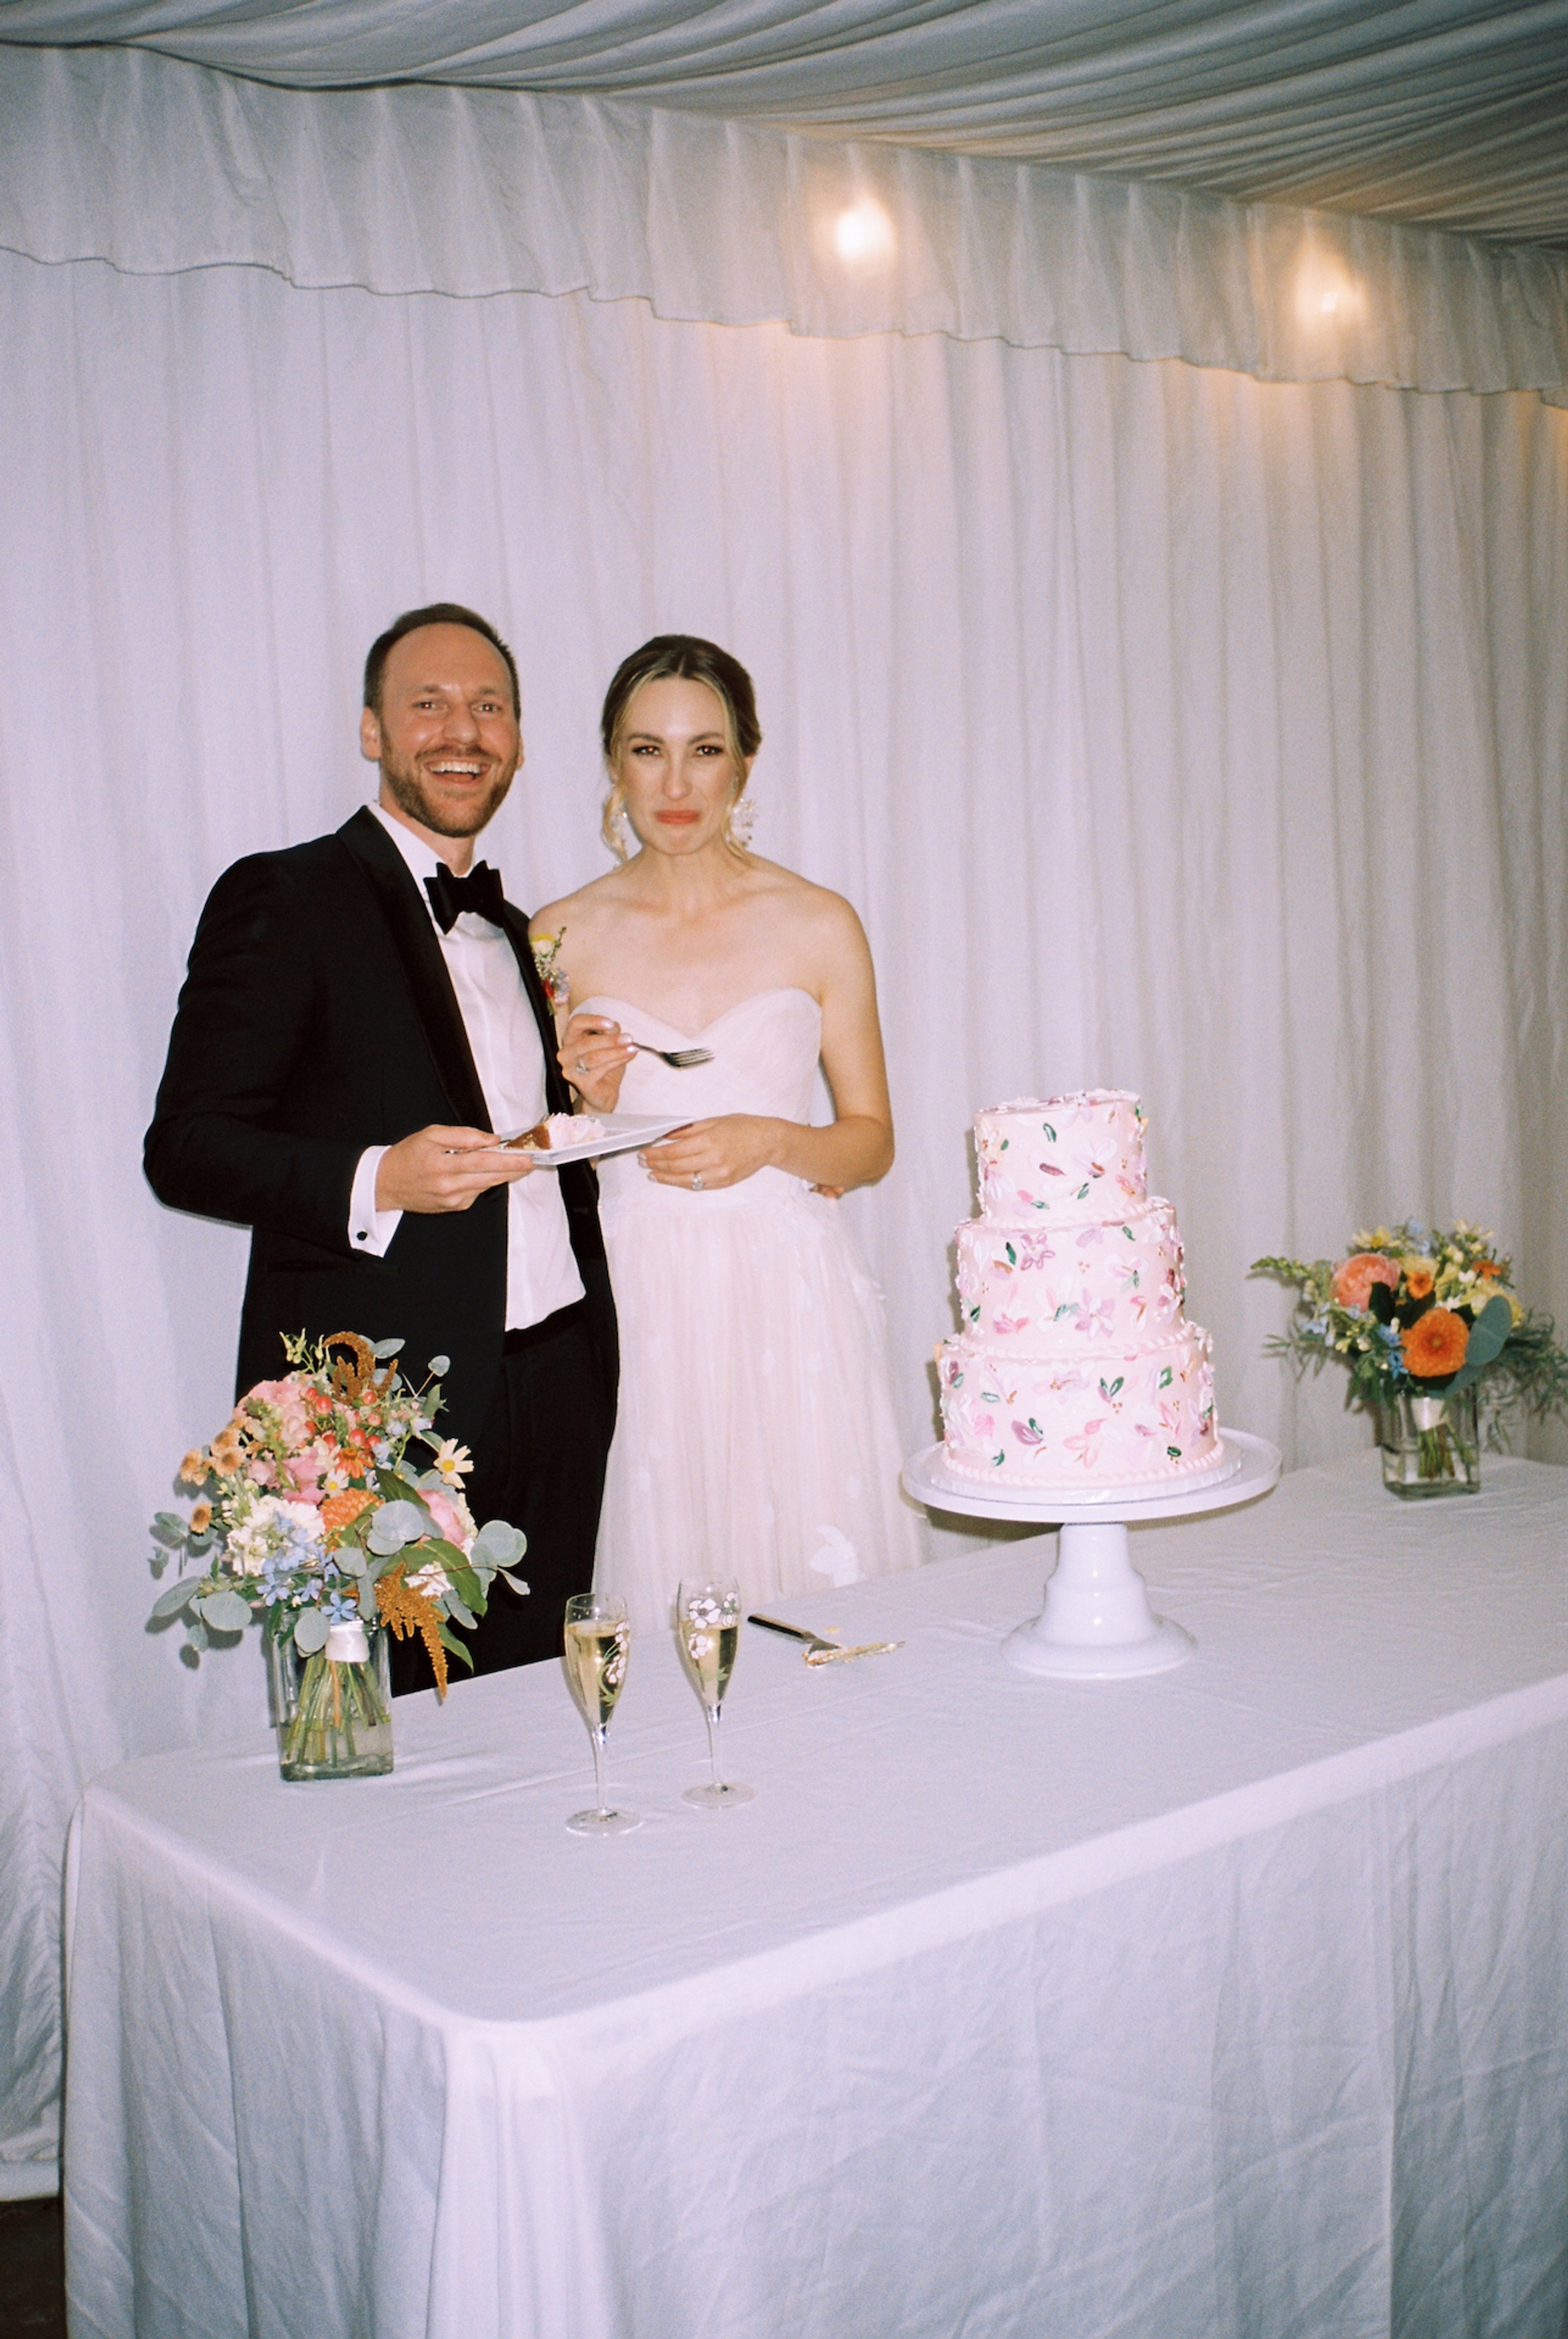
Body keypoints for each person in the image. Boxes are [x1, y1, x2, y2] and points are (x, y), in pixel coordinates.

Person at [144, 603, 617, 1688]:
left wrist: (578, 1106)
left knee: (542, 1717)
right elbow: (187, 1146)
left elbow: (510, 1151)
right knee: (395, 1739)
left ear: (519, 739)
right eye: (429, 704)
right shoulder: (286, 895)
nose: (464, 731)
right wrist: (378, 1178)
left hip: (560, 1376)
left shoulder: (515, 929)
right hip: (381, 1413)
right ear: (372, 730)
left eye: (489, 707)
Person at [531, 634, 920, 1636]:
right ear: (613, 762)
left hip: (789, 1292)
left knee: (814, 1594)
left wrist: (773, 1140)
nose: (676, 783)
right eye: (647, 750)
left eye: (704, 750)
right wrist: (586, 1101)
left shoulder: (819, 922)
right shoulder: (555, 935)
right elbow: (533, 1158)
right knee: (654, 1572)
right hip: (635, 1294)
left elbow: (871, 1141)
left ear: (745, 760)